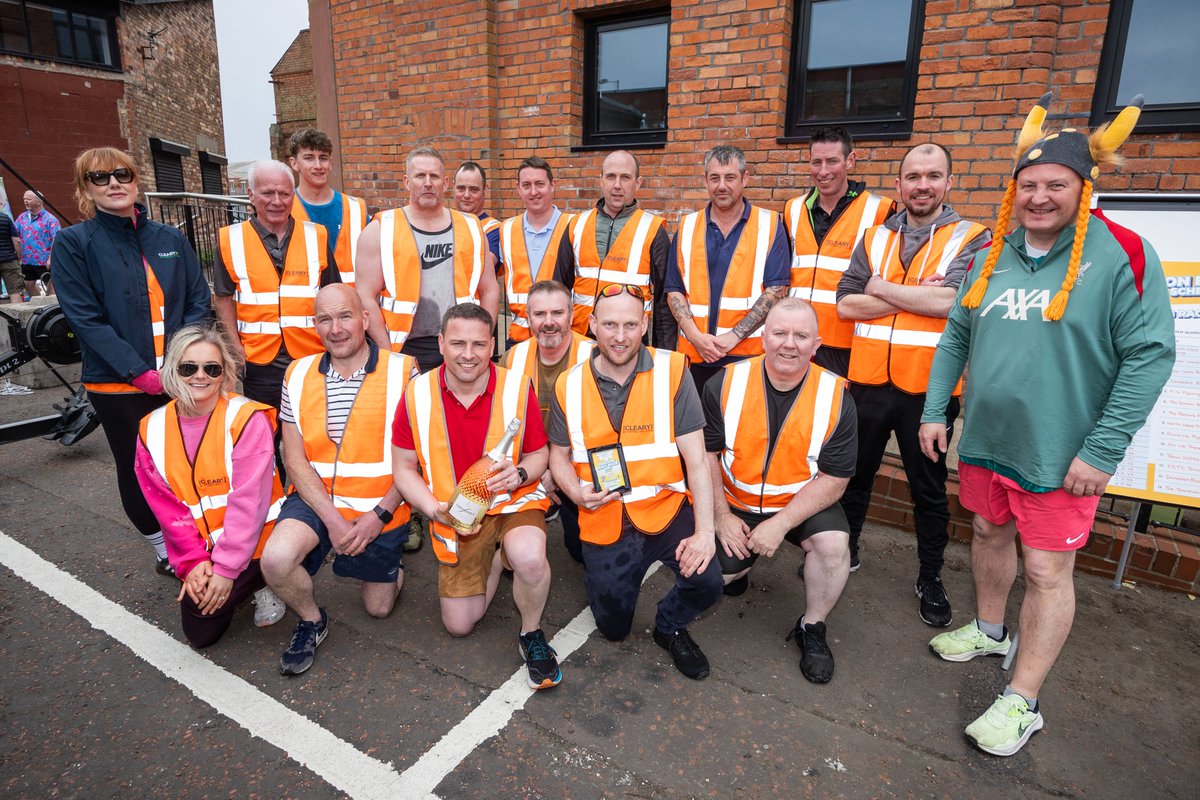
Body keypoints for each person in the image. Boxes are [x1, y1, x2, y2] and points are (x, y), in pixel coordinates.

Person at [920, 95, 1174, 756]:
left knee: (1047, 572)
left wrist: (1103, 448)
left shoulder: (1124, 254)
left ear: (1083, 187)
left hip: (1065, 456)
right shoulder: (993, 253)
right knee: (985, 530)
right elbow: (954, 338)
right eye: (1028, 184)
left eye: (1055, 184)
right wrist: (933, 410)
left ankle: (1022, 700)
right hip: (986, 442)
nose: (1039, 196)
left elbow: (1151, 356)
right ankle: (988, 628)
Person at [835, 143, 990, 621]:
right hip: (867, 382)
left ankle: (930, 576)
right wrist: (915, 296)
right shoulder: (874, 236)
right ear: (899, 185)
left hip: (930, 392)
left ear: (948, 182)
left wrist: (879, 288)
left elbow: (953, 303)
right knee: (853, 478)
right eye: (913, 176)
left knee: (926, 490)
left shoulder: (972, 237)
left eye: (933, 176)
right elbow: (844, 304)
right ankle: (846, 551)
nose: (922, 185)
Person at [548, 284, 722, 680]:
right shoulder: (568, 384)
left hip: (665, 508)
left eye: (630, 324)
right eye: (609, 324)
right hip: (604, 515)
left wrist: (706, 531)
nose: (620, 336)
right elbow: (558, 457)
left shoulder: (673, 370)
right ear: (592, 325)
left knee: (709, 579)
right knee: (613, 628)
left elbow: (697, 459)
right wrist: (575, 493)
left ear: (645, 324)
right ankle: (601, 575)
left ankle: (670, 625)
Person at [53, 147, 211, 575]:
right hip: (119, 385)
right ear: (86, 188)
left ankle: (197, 535)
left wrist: (183, 365)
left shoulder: (170, 238)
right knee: (139, 467)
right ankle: (164, 548)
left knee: (190, 463)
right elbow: (85, 318)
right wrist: (138, 372)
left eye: (122, 174)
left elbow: (198, 300)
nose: (114, 183)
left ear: (136, 179)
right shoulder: (74, 243)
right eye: (100, 178)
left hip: (181, 380)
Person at [392, 303, 561, 690]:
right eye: (457, 343)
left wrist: (519, 473)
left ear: (492, 346)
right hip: (458, 517)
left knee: (531, 558)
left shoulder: (517, 386)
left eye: (478, 344)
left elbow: (539, 453)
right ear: (440, 343)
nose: (468, 354)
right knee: (460, 625)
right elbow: (403, 468)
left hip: (513, 502)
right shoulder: (416, 393)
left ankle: (531, 634)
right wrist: (431, 508)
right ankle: (497, 560)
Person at [259, 285, 416, 676]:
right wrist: (332, 521)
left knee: (378, 609)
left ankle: (393, 566)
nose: (336, 328)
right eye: (325, 319)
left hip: (378, 507)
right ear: (315, 325)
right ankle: (312, 620)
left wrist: (378, 515)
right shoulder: (296, 374)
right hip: (318, 501)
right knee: (275, 561)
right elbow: (293, 460)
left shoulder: (404, 371)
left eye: (345, 316)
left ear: (365, 319)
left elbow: (417, 459)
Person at [703, 299, 856, 683]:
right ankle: (739, 570)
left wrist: (781, 524)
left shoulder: (836, 395)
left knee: (835, 547)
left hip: (798, 503)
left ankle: (813, 627)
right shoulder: (724, 382)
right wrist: (721, 517)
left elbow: (835, 479)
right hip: (735, 502)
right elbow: (705, 458)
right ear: (762, 337)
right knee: (709, 580)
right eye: (780, 333)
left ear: (816, 344)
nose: (789, 344)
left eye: (801, 336)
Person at [135, 323, 287, 646]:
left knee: (233, 587)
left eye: (211, 368)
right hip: (204, 549)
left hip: (261, 541)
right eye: (188, 367)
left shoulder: (246, 418)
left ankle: (265, 581)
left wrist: (226, 570)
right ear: (173, 370)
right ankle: (235, 585)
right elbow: (169, 512)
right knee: (200, 634)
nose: (200, 376)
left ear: (224, 374)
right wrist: (193, 563)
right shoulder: (152, 429)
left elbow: (250, 505)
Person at [355, 146, 501, 372]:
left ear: (445, 183)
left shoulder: (472, 227)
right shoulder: (380, 230)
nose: (427, 182)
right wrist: (387, 352)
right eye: (420, 175)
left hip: (462, 345)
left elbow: (490, 289)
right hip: (403, 346)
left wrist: (482, 339)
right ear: (406, 181)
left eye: (434, 176)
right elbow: (365, 294)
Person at [214, 159, 339, 412]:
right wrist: (234, 347)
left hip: (310, 355)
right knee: (264, 434)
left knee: (310, 430)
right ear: (251, 194)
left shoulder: (317, 235)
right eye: (267, 193)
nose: (277, 201)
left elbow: (333, 293)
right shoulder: (230, 240)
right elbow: (223, 297)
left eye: (284, 193)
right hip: (259, 360)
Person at [665, 145, 791, 393]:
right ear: (705, 181)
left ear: (745, 178)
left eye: (730, 177)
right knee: (695, 432)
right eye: (714, 178)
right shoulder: (688, 226)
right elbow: (673, 290)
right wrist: (696, 338)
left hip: (747, 358)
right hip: (694, 358)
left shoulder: (770, 225)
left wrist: (732, 337)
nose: (721, 186)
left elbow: (776, 291)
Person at [785, 126, 896, 377]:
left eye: (832, 161)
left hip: (850, 344)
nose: (823, 171)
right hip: (799, 343)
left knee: (839, 414)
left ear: (850, 161)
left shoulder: (881, 211)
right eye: (816, 162)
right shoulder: (792, 210)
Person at [501, 280, 594, 562]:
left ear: (572, 315)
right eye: (540, 314)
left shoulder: (595, 357)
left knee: (581, 551)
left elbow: (607, 431)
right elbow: (500, 424)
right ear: (527, 318)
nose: (549, 322)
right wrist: (537, 470)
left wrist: (557, 471)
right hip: (529, 465)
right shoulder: (512, 358)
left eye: (558, 313)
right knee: (508, 554)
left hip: (579, 468)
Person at [554, 150, 674, 347]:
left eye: (625, 177)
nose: (617, 185)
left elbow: (664, 303)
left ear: (638, 183)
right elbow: (559, 288)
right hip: (580, 339)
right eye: (611, 177)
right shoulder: (577, 225)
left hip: (628, 342)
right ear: (601, 180)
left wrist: (662, 354)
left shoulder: (653, 231)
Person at [499, 156, 574, 346]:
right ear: (518, 188)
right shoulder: (506, 229)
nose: (533, 192)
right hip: (519, 338)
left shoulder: (574, 227)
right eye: (526, 185)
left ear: (552, 185)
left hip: (561, 337)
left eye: (540, 184)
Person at [288, 128, 369, 285]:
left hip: (350, 304)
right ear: (294, 163)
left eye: (323, 158)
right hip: (303, 306)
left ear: (330, 163)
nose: (318, 165)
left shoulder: (356, 208)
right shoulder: (284, 208)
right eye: (309, 158)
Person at [452, 161, 502, 270]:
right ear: (453, 188)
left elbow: (481, 267)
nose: (466, 195)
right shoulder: (443, 222)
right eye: (461, 188)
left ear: (485, 190)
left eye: (473, 189)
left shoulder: (494, 229)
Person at [15, 190, 61, 296]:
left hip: (44, 260)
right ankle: (39, 305)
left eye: (29, 199)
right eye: (24, 199)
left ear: (39, 202)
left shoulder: (50, 219)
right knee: (28, 284)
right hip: (27, 259)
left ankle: (51, 308)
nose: (25, 201)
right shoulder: (22, 217)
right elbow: (14, 235)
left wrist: (51, 258)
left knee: (50, 286)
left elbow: (56, 239)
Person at [0, 210, 19, 302]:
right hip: (8, 260)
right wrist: (19, 257)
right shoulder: (5, 218)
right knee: (15, 292)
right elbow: (16, 241)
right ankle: (17, 316)